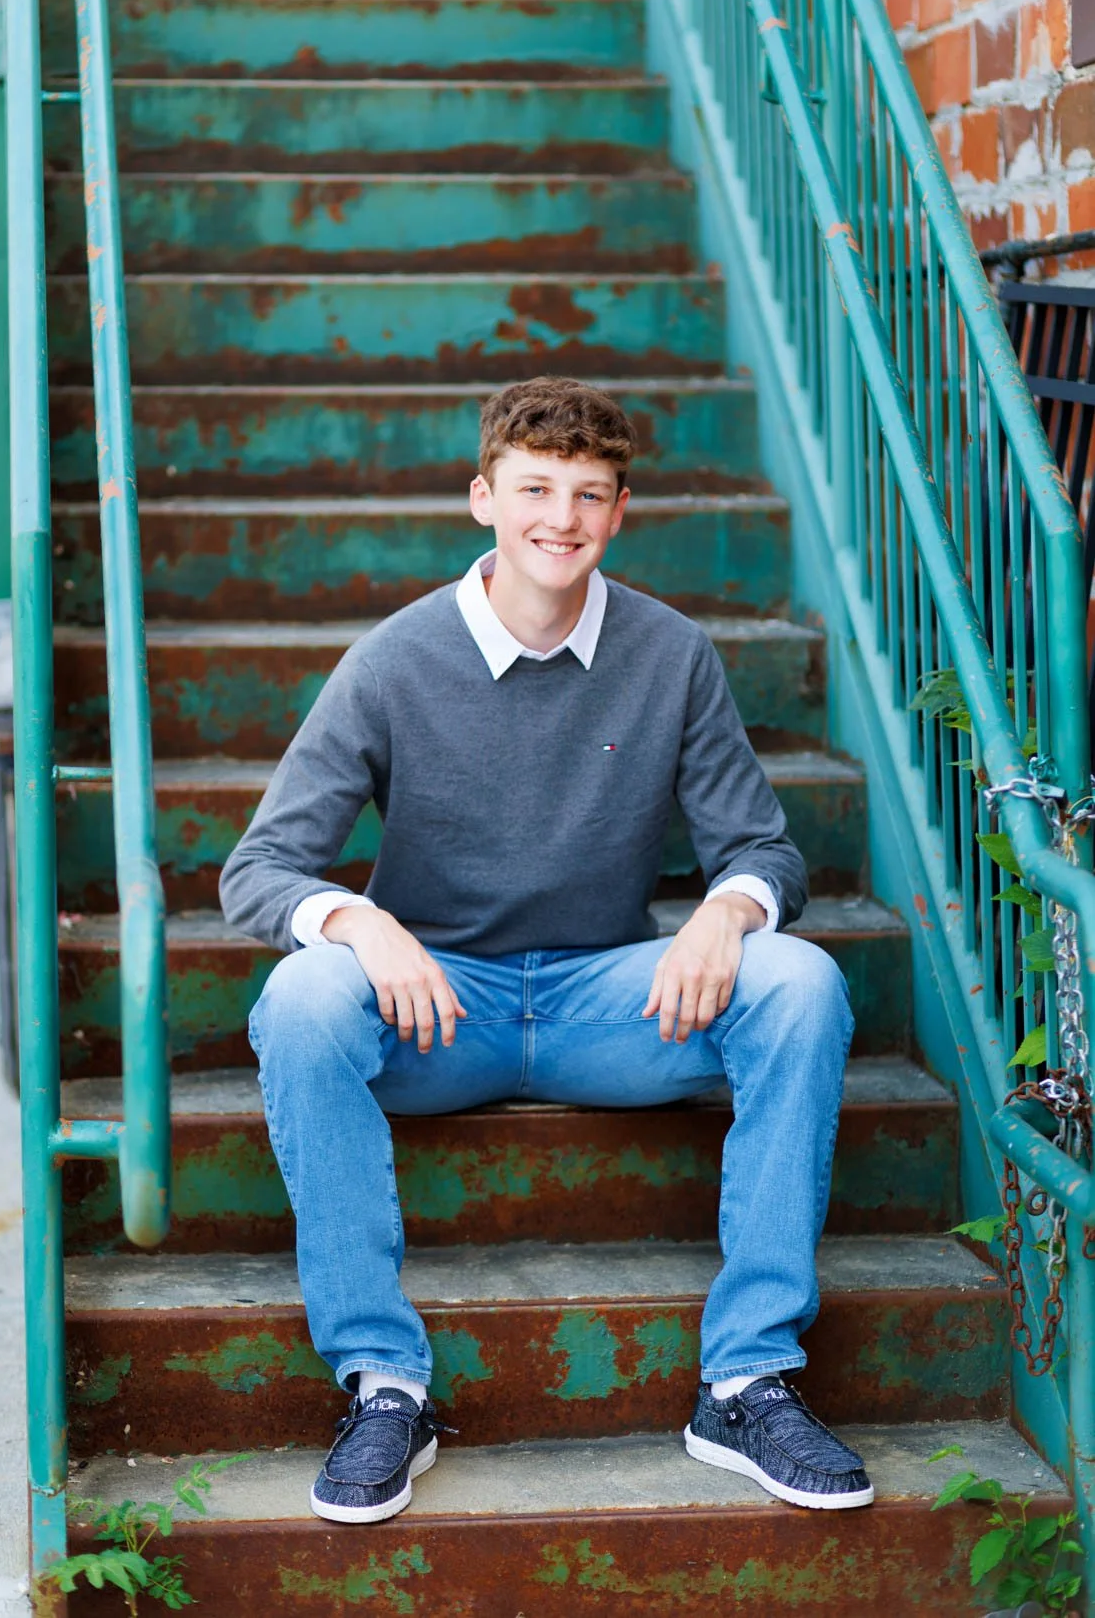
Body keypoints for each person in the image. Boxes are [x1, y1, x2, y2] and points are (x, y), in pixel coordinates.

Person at [220, 375, 873, 1526]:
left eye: (588, 494)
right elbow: (258, 869)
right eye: (534, 488)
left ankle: (746, 1374)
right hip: (440, 1014)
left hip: (604, 1006)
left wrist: (722, 912)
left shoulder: (670, 655)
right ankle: (384, 1381)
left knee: (798, 979)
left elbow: (763, 851)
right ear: (482, 497)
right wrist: (365, 921)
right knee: (303, 996)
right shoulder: (391, 658)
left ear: (618, 512)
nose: (559, 518)